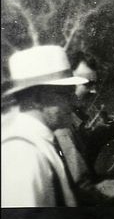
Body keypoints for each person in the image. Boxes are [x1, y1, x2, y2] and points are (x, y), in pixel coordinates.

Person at [1, 45, 88, 207]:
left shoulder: (40, 141)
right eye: (65, 94)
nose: (74, 102)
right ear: (37, 99)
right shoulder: (22, 153)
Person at [55, 57, 114, 206]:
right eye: (88, 84)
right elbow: (82, 186)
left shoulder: (76, 120)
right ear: (67, 84)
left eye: (95, 84)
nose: (94, 90)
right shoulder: (62, 126)